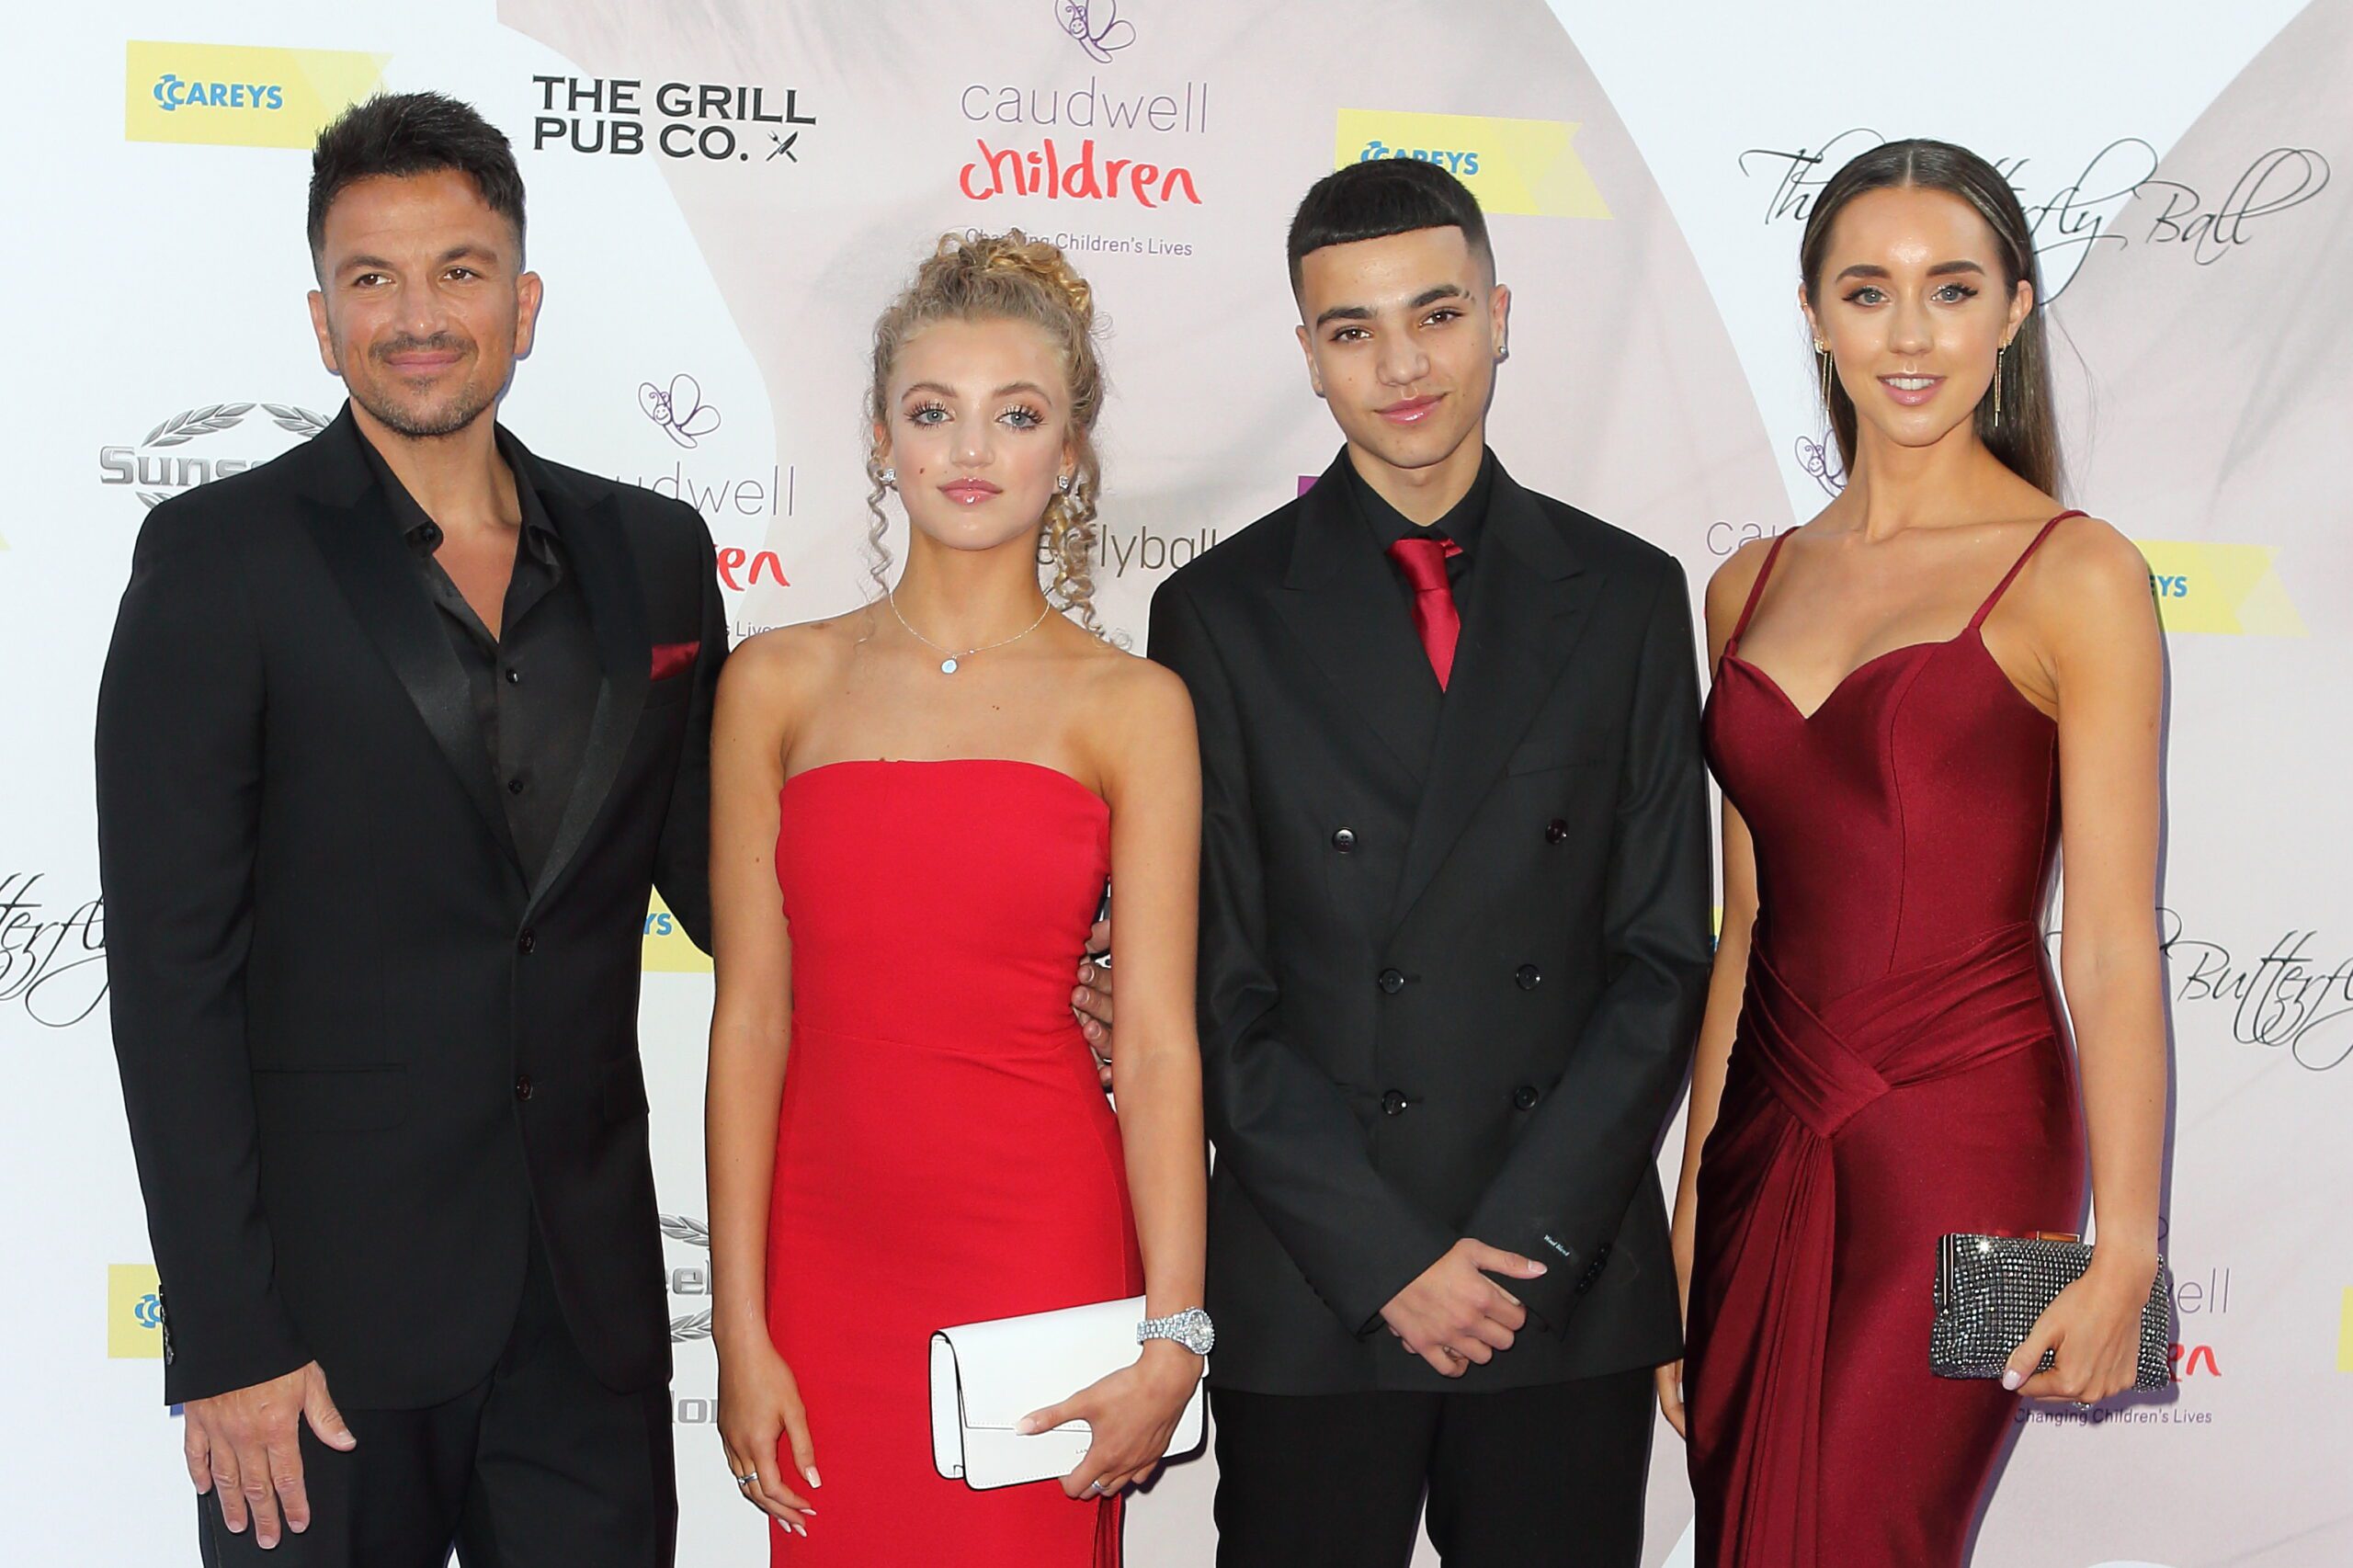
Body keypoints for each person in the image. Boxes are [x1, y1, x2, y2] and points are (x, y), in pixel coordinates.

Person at [97, 93, 725, 1564]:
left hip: (588, 1324)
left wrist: (1020, 956)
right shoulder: (217, 560)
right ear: (323, 321)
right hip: (315, 1347)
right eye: (372, 279)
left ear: (525, 300)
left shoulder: (656, 554)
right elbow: (170, 980)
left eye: (458, 268)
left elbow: (729, 888)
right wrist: (228, 1334)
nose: (419, 315)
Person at [1144, 157, 1712, 1568]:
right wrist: (1390, 1261)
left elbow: (1659, 959)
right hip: (1319, 1283)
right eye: (1352, 330)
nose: (1402, 364)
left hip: (1557, 1278)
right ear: (1308, 356)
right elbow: (1217, 988)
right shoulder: (1216, 613)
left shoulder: (1630, 592)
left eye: (1438, 313)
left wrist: (1521, 1240)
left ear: (1502, 316)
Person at [1662, 139, 2170, 1567]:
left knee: (1863, 1529)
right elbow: (1748, 921)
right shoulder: (1745, 583)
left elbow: (2115, 940)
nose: (1910, 332)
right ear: (1816, 316)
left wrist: (2122, 1239)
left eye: (1951, 289)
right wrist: (1694, 1191)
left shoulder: (2080, 572)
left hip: (1976, 1141)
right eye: (1867, 290)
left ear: (2012, 312)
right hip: (1770, 1130)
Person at [702, 231, 1209, 1567]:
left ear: (1073, 452)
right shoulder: (775, 683)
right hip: (824, 1256)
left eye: (1018, 413)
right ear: (880, 437)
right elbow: (752, 1019)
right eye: (933, 412)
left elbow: (1155, 1044)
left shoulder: (1135, 707)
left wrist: (1175, 1329)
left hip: (1036, 1246)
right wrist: (741, 1328)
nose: (971, 449)